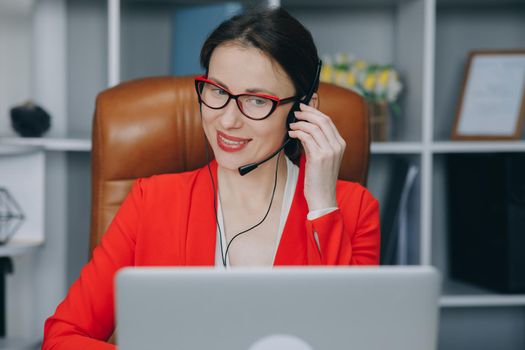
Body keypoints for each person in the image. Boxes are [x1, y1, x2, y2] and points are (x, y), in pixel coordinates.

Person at [42, 7, 380, 349]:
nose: (227, 120)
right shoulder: (152, 201)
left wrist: (322, 207)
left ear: (304, 109)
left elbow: (356, 339)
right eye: (217, 91)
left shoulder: (352, 209)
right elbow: (63, 337)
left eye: (256, 99)